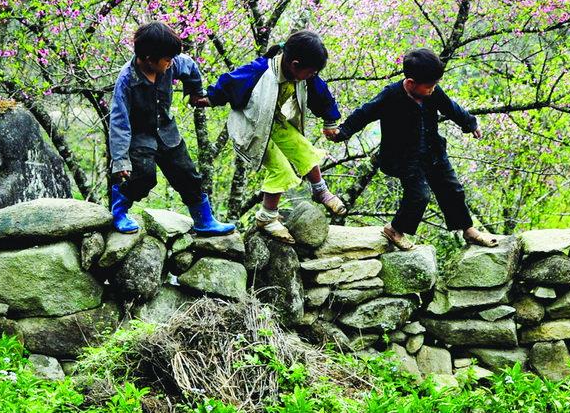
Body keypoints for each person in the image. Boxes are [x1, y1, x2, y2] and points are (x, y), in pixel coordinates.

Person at [326, 47, 498, 250]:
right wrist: (343, 132)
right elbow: (364, 114)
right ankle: (395, 229)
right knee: (419, 196)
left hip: (434, 152)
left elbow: (451, 108)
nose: (432, 90)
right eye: (429, 86)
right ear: (411, 82)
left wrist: (470, 123)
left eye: (435, 85)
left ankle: (468, 230)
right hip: (406, 159)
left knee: (453, 190)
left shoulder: (433, 93)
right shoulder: (391, 96)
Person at [200, 30, 346, 244]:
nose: (313, 75)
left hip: (275, 123)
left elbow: (321, 93)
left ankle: (320, 190)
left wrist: (330, 120)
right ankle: (266, 217)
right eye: (311, 71)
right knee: (281, 169)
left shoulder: (305, 76)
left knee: (305, 150)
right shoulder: (260, 71)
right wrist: (210, 98)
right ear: (295, 65)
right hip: (253, 128)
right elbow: (231, 82)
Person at [107, 22, 235, 236]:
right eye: (167, 60)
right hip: (140, 137)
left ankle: (204, 220)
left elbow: (190, 67)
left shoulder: (172, 63)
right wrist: (120, 159)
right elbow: (119, 121)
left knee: (188, 176)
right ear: (149, 59)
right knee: (143, 178)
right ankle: (119, 212)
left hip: (168, 133)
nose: (171, 63)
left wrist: (195, 92)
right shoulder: (127, 79)